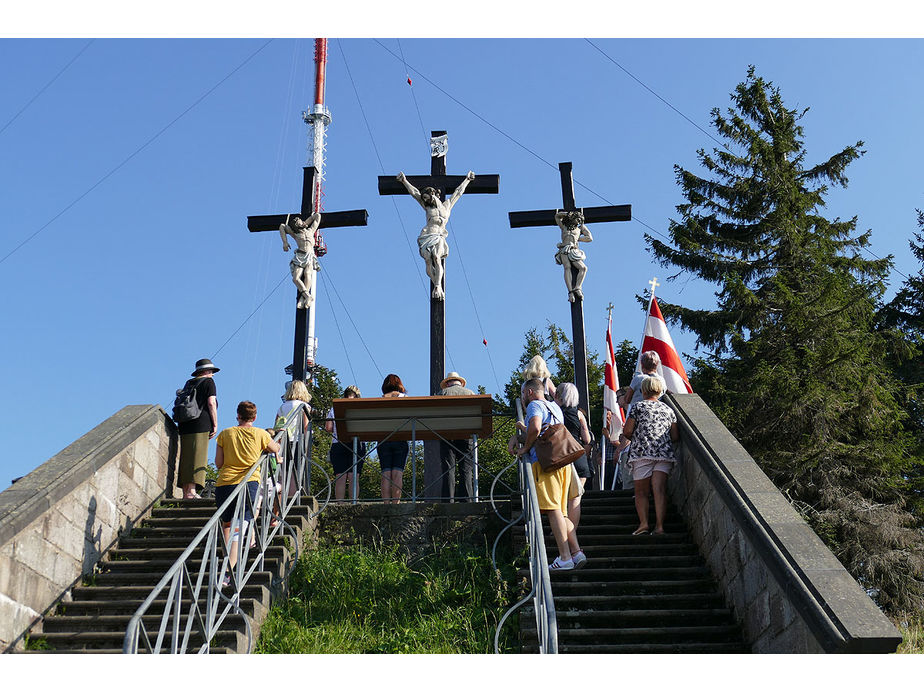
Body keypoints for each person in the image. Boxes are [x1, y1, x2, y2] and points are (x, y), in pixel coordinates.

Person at [509, 378, 585, 570]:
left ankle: (565, 557)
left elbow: (535, 428)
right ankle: (576, 552)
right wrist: (518, 435)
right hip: (562, 462)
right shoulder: (554, 406)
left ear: (529, 392)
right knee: (561, 511)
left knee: (552, 510)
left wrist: (524, 448)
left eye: (523, 393)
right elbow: (543, 431)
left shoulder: (534, 405)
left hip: (545, 464)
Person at [215, 401, 280, 582]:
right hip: (248, 483)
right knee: (239, 527)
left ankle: (226, 561)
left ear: (238, 415)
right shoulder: (261, 434)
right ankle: (227, 573)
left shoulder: (225, 434)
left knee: (227, 525)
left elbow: (219, 463)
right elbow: (276, 448)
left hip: (224, 484)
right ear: (255, 417)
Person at [397, 170, 475, 299]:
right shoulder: (428, 208)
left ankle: (438, 285)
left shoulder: (447, 206)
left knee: (437, 258)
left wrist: (467, 180)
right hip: (428, 235)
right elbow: (415, 193)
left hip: (439, 236)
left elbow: (458, 192)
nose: (426, 199)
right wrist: (404, 181)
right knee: (428, 260)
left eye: (428, 196)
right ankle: (436, 285)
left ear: (435, 195)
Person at [622, 376, 679, 536]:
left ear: (643, 390)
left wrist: (637, 437)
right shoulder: (669, 410)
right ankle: (660, 527)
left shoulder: (637, 407)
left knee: (641, 492)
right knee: (659, 490)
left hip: (642, 453)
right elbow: (675, 436)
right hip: (664, 453)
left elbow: (627, 431)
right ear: (660, 390)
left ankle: (644, 524)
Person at [176, 358, 219, 499]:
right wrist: (215, 423)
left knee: (186, 456)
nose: (212, 374)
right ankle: (192, 492)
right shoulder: (208, 382)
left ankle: (185, 491)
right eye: (211, 371)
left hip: (185, 423)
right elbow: (211, 403)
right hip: (200, 422)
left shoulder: (189, 383)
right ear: (206, 371)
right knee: (198, 456)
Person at [555, 383, 592, 529]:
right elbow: (587, 439)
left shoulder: (554, 410)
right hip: (579, 456)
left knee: (560, 497)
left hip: (562, 456)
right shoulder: (579, 413)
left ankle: (560, 530)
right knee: (575, 499)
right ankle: (573, 532)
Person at [437, 371, 476, 501]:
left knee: (449, 468)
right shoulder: (470, 393)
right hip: (466, 433)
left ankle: (448, 500)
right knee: (466, 468)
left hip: (447, 433)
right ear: (460, 383)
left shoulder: (442, 394)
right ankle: (467, 499)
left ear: (448, 383)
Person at [325, 385, 365, 501]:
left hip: (338, 443)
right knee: (354, 476)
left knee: (340, 476)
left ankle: (340, 504)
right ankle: (353, 502)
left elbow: (328, 427)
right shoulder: (361, 407)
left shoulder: (335, 408)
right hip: (357, 443)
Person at [377, 374, 409, 503]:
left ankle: (386, 504)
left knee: (386, 474)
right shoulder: (405, 398)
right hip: (400, 438)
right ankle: (395, 504)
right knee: (397, 473)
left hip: (383, 439)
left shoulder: (380, 400)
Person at [279, 212, 321, 309]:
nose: (300, 223)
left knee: (307, 274)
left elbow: (317, 216)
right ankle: (307, 296)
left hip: (309, 256)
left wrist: (306, 222)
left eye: (300, 221)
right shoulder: (296, 234)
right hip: (300, 256)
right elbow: (282, 226)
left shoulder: (311, 230)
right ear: (296, 226)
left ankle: (303, 298)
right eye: (298, 223)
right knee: (295, 278)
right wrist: (285, 242)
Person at [554, 209, 593, 302]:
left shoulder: (579, 229)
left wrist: (579, 238)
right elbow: (557, 216)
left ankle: (577, 287)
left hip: (573, 250)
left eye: (580, 219)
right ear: (573, 218)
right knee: (567, 268)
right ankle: (570, 292)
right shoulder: (564, 227)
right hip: (564, 249)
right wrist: (568, 214)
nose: (579, 221)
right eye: (578, 218)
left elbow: (590, 238)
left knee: (583, 268)